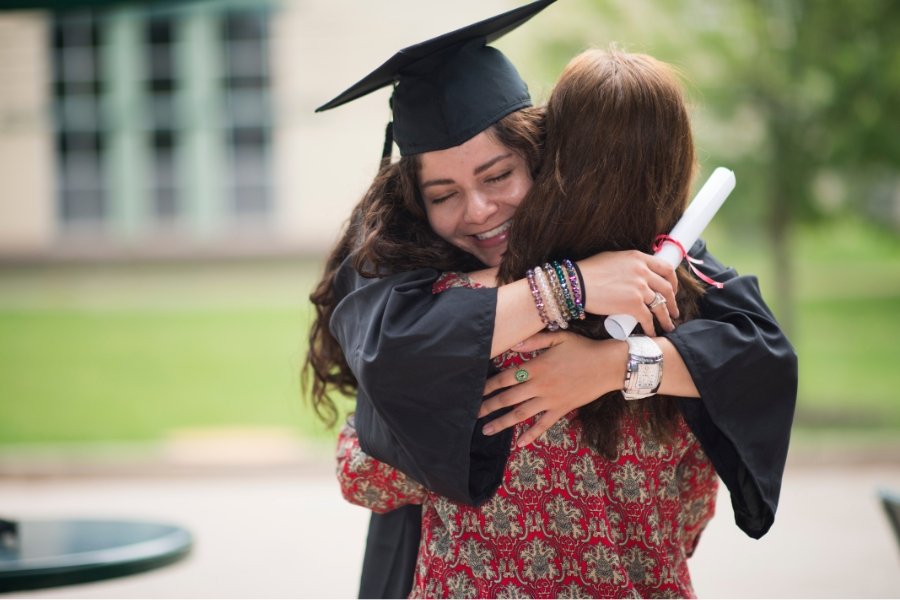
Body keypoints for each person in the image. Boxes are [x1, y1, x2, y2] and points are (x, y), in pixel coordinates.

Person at [305, 1, 797, 596]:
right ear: (415, 204)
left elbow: (758, 349)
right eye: (443, 195)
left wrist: (613, 366)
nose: (479, 211)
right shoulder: (396, 263)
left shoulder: (646, 259)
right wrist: (573, 287)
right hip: (419, 550)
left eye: (497, 176)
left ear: (541, 156)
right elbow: (387, 388)